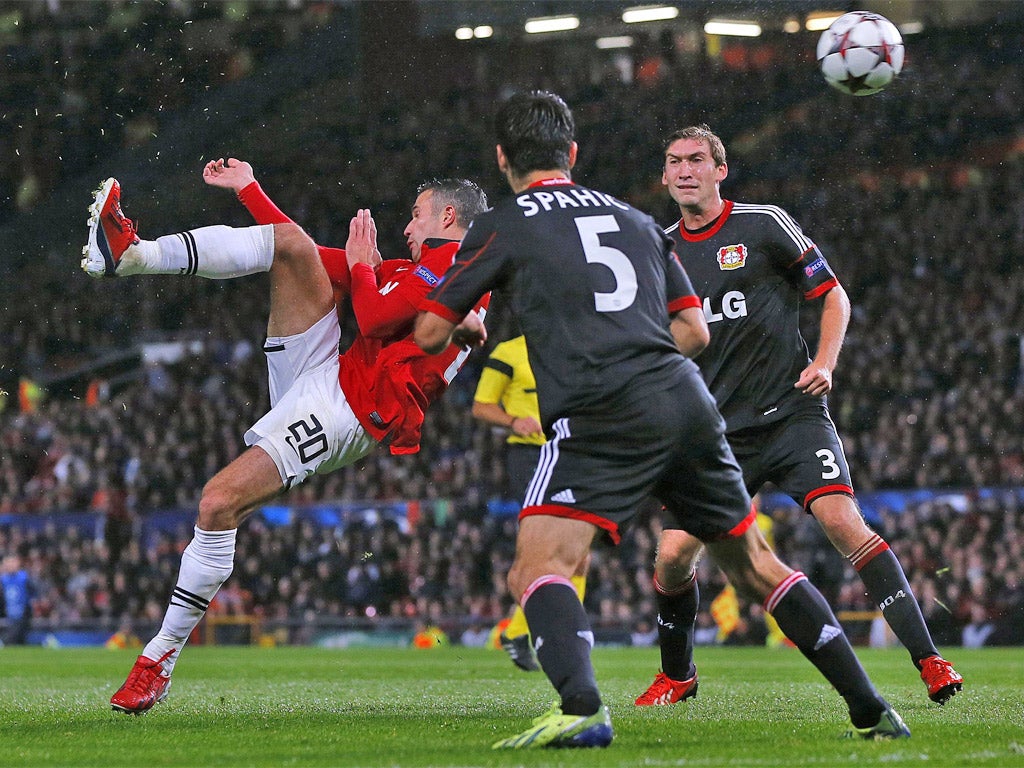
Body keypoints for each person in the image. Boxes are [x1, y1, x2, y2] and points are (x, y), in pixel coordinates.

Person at [414, 90, 909, 749]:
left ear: (503, 158)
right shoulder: (637, 220)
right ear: (574, 153)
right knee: (756, 564)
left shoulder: (505, 222)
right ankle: (871, 708)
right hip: (685, 401)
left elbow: (427, 333)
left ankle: (583, 706)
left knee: (536, 570)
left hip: (598, 411)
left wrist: (473, 324)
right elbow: (695, 331)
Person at [82, 158, 489, 714]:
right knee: (291, 246)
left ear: (448, 216)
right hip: (327, 374)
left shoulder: (461, 270)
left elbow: (369, 319)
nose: (407, 228)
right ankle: (134, 254)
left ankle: (158, 659)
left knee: (218, 502)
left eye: (416, 217)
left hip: (348, 412)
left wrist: (363, 267)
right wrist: (250, 190)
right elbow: (311, 257)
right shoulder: (415, 270)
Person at [634, 124, 962, 708]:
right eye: (674, 161)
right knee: (672, 555)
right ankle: (677, 674)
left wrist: (827, 364)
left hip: (790, 415)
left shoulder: (763, 226)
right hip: (715, 435)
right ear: (664, 176)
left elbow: (834, 296)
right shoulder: (658, 251)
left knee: (843, 523)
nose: (684, 170)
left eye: (696, 160)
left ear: (719, 170)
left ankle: (930, 659)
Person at [471, 334, 587, 671]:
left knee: (579, 555)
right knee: (549, 550)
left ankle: (530, 631)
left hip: (567, 452)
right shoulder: (509, 352)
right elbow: (481, 405)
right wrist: (513, 421)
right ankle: (551, 634)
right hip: (530, 456)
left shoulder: (572, 347)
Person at [1, 554, 33, 645]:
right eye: (8, 563)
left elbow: (33, 593)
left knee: (16, 636)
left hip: (23, 612)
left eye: (12, 562)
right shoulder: (3, 579)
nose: (10, 565)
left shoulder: (24, 578)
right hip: (9, 613)